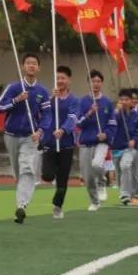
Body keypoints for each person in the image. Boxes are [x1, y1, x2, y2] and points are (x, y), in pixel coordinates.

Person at [0, 52, 52, 224]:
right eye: (28, 63)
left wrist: (40, 131)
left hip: (30, 137)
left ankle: (22, 205)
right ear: (22, 66)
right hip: (11, 135)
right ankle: (22, 195)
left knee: (27, 168)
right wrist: (16, 100)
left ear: (38, 67)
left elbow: (47, 114)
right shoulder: (13, 87)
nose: (31, 66)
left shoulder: (42, 91)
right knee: (18, 172)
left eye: (34, 63)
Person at [41, 65, 79, 218]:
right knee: (48, 175)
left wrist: (63, 130)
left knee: (62, 180)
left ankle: (58, 205)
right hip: (50, 142)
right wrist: (51, 99)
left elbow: (73, 117)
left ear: (69, 80)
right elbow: (41, 112)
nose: (60, 81)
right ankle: (50, 172)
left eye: (63, 78)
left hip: (66, 144)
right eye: (57, 78)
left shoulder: (74, 100)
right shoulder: (50, 98)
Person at [77, 69, 115, 208]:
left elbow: (112, 124)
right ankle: (94, 201)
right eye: (93, 81)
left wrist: (106, 134)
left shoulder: (107, 103)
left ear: (102, 83)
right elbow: (78, 123)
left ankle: (102, 182)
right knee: (87, 177)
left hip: (102, 142)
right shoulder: (82, 102)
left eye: (98, 81)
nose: (96, 84)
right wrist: (90, 113)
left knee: (97, 164)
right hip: (86, 142)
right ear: (89, 83)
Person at [110, 88, 138, 205]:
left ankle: (125, 195)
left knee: (125, 166)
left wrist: (134, 140)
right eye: (121, 99)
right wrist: (116, 113)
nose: (123, 101)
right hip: (116, 148)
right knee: (119, 173)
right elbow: (110, 126)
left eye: (126, 99)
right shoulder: (116, 114)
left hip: (129, 148)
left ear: (131, 101)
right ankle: (124, 192)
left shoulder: (136, 115)